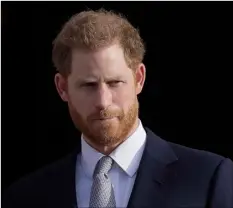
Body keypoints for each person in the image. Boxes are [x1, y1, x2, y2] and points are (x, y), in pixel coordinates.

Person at [2, 8, 233, 208]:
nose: (103, 101)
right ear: (62, 88)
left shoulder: (207, 179)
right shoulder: (27, 196)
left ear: (139, 79)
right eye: (88, 85)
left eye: (115, 83)